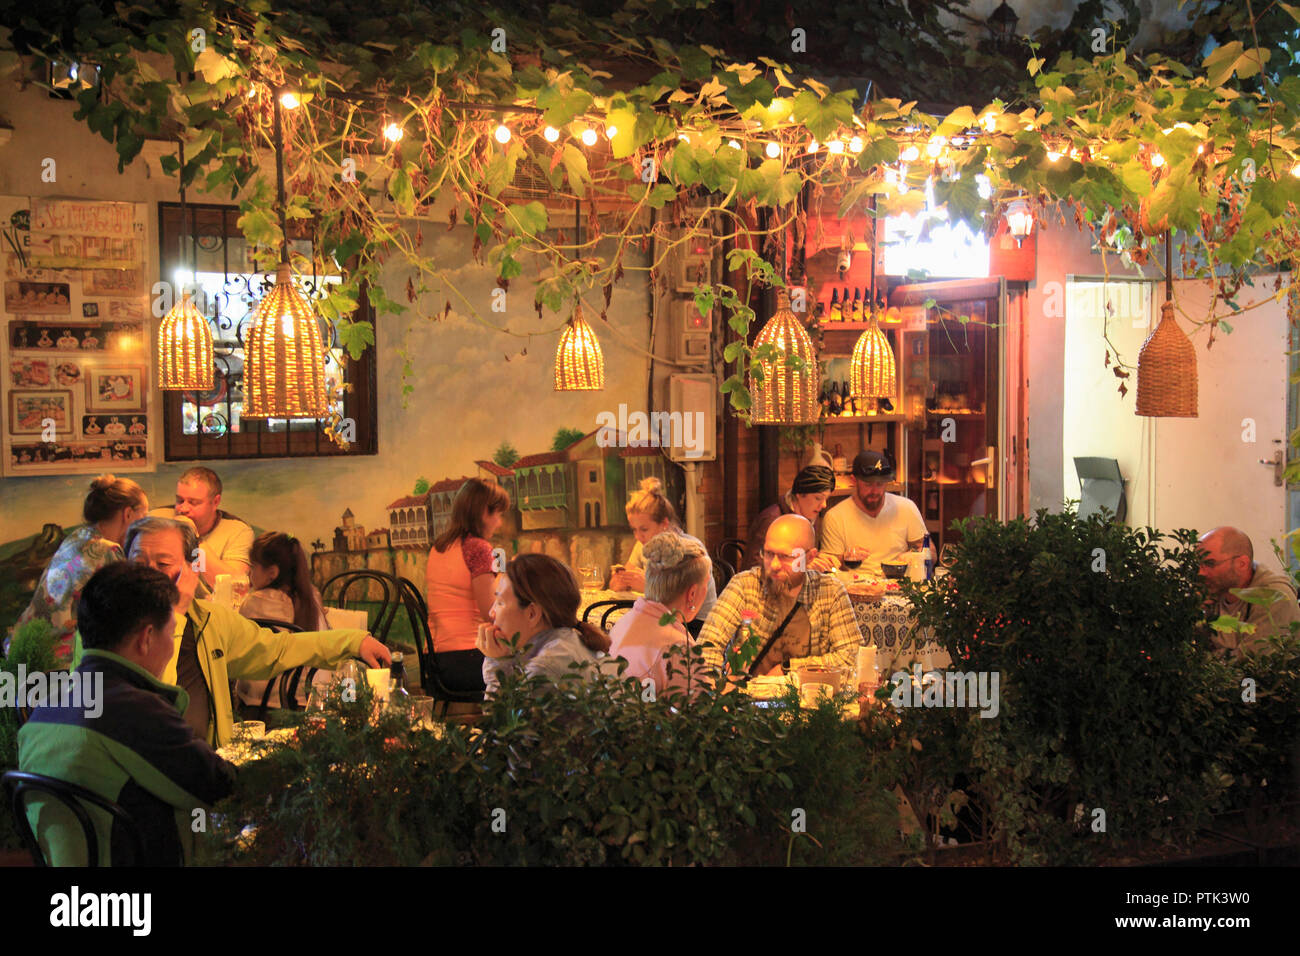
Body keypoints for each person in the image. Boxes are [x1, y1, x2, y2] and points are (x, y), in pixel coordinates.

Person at [74, 516, 391, 747]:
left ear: (191, 567)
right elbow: (151, 710)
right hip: (150, 769)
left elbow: (274, 649)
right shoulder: (106, 623)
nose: (148, 573)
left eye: (162, 563)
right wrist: (175, 612)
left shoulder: (211, 619)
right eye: (138, 561)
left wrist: (353, 640)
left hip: (208, 761)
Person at [18, 563, 236, 865]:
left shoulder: (45, 708)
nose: (171, 648)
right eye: (171, 634)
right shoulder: (136, 710)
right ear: (146, 638)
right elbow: (219, 787)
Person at [10, 474, 149, 665]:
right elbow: (124, 617)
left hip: (25, 651)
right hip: (58, 665)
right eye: (144, 516)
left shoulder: (77, 537)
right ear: (128, 514)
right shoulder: (107, 551)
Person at [700, 514, 862, 676]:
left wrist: (789, 668)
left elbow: (852, 657)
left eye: (786, 557)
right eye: (769, 554)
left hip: (808, 697)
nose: (775, 565)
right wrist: (719, 687)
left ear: (810, 557)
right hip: (750, 697)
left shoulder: (830, 591)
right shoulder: (745, 585)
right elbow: (706, 647)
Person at [478, 554, 611, 695]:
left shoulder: (545, 667)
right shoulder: (569, 640)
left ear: (532, 614)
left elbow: (501, 716)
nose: (491, 612)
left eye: (500, 602)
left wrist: (497, 663)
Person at [426, 478, 509, 692]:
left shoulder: (439, 546)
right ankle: (507, 725)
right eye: (497, 514)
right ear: (483, 513)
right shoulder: (477, 548)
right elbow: (490, 613)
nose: (499, 522)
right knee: (535, 665)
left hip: (434, 662)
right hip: (468, 661)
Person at [607, 531, 710, 698]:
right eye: (706, 584)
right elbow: (697, 717)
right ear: (692, 594)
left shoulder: (623, 622)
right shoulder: (678, 647)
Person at [234, 532, 331, 709]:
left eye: (253, 567)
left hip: (261, 703)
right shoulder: (312, 596)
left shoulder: (255, 602)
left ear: (272, 573)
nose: (249, 573)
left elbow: (237, 649)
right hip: (306, 700)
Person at [609, 477, 716, 634]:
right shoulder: (644, 545)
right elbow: (619, 580)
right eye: (634, 529)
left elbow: (681, 606)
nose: (638, 536)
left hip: (694, 625)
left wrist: (647, 587)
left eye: (644, 529)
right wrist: (619, 581)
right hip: (661, 619)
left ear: (664, 524)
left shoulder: (687, 549)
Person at [814, 450, 932, 576]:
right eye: (868, 484)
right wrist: (845, 558)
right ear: (854, 480)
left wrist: (915, 556)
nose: (875, 491)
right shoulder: (835, 517)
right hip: (855, 589)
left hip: (900, 585)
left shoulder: (906, 507)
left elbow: (930, 552)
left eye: (880, 484)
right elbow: (828, 568)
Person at [1198, 526, 1300, 658]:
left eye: (1210, 564)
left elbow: (1249, 661)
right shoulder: (1212, 588)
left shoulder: (1273, 596)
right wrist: (1197, 611)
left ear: (1242, 564)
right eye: (1198, 564)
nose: (1200, 572)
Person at [152, 466, 254, 588]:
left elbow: (234, 587)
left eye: (193, 503)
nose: (183, 509)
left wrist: (193, 539)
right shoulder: (156, 519)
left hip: (212, 606)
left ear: (215, 502)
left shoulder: (238, 532)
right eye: (179, 501)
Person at [741, 464, 835, 573]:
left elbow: (795, 555)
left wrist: (818, 557)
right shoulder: (772, 520)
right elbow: (753, 569)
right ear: (800, 494)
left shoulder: (811, 517)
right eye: (818, 498)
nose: (824, 505)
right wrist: (802, 565)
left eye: (826, 499)